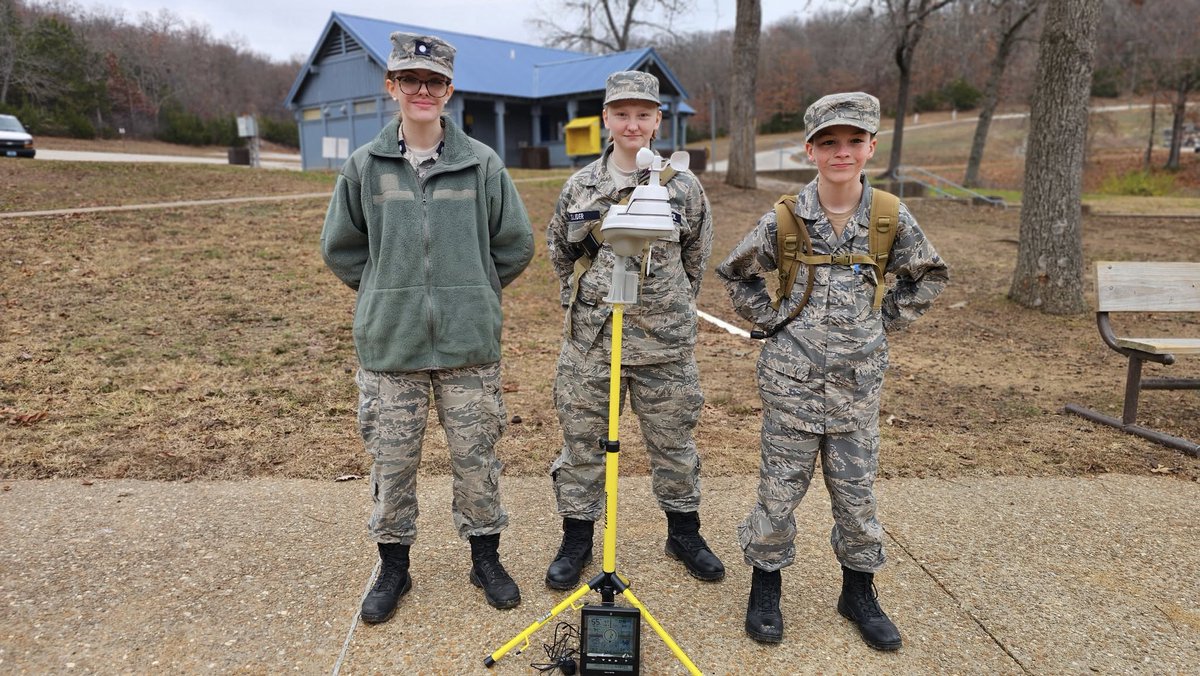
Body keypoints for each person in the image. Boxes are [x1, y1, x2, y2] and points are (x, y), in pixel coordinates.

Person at [716, 92, 948, 649]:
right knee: (777, 493)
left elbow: (929, 275)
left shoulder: (890, 216)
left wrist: (882, 324)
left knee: (857, 496)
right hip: (790, 386)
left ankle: (859, 591)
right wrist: (771, 320)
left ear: (871, 146)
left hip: (855, 390)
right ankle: (765, 586)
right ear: (810, 150)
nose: (841, 152)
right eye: (828, 142)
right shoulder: (788, 218)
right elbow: (735, 273)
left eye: (852, 141)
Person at [320, 32, 535, 623]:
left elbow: (514, 245)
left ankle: (485, 556)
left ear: (449, 90)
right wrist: (387, 294)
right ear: (391, 86)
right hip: (392, 349)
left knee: (477, 461)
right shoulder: (365, 167)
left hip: (469, 348)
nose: (422, 90)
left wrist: (473, 292)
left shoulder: (481, 164)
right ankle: (393, 566)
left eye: (433, 81)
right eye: (409, 80)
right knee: (392, 464)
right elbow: (342, 249)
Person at [543, 71, 723, 591]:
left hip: (664, 343)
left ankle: (684, 533)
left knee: (673, 443)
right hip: (593, 342)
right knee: (583, 444)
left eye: (643, 114)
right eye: (621, 113)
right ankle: (577, 538)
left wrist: (669, 306)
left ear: (658, 121)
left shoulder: (683, 187)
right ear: (606, 119)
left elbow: (697, 257)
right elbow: (562, 251)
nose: (632, 123)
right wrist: (584, 302)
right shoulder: (581, 185)